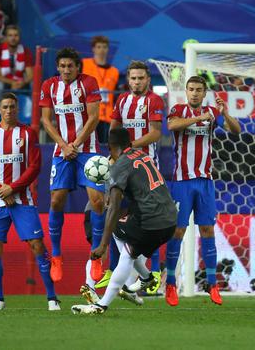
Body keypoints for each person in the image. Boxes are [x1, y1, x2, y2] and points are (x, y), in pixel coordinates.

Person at [71, 128, 177, 315]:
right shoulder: (141, 155)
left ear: (110, 146)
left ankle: (102, 304)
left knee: (118, 235)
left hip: (150, 223)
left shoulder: (120, 165)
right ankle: (146, 277)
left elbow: (113, 208)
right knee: (129, 246)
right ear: (130, 142)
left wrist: (103, 245)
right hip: (169, 221)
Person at [0, 93, 60, 311]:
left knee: (37, 246)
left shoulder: (28, 133)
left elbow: (35, 166)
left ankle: (52, 298)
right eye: (5, 107)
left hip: (23, 200)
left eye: (13, 107)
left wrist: (13, 188)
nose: (9, 110)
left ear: (17, 108)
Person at [164, 75, 241, 306]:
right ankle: (170, 284)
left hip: (205, 181)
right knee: (177, 231)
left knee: (207, 230)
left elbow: (236, 130)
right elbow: (171, 126)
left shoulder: (211, 113)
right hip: (181, 181)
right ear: (186, 92)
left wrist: (223, 113)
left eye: (198, 89)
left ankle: (212, 283)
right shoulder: (178, 109)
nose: (195, 93)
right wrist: (200, 118)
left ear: (204, 92)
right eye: (191, 89)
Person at [39, 47, 105, 300]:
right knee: (56, 199)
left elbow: (94, 117)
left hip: (87, 150)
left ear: (78, 67)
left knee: (97, 200)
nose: (66, 70)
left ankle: (96, 255)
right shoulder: (49, 85)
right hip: (62, 151)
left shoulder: (89, 82)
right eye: (62, 66)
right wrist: (64, 145)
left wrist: (75, 144)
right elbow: (46, 120)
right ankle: (56, 254)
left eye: (70, 66)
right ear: (58, 67)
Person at [105, 60, 165, 293]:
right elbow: (113, 130)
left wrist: (128, 147)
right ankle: (112, 271)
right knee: (114, 214)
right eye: (133, 78)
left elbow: (156, 134)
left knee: (151, 221)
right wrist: (114, 155)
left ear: (148, 80)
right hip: (122, 169)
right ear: (128, 79)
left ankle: (155, 274)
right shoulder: (122, 100)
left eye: (141, 78)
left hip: (146, 170)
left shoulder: (154, 100)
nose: (137, 82)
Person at [81, 36, 119, 144]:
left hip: (107, 117)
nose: (101, 50)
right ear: (93, 49)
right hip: (88, 115)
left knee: (104, 148)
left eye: (104, 47)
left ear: (108, 49)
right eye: (98, 47)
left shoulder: (114, 71)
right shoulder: (84, 64)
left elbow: (115, 96)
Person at [0, 26, 33, 102]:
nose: (13, 38)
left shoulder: (26, 51)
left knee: (34, 84)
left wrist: (23, 82)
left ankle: (33, 111)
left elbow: (30, 75)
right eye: (10, 35)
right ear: (6, 37)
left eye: (16, 35)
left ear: (19, 37)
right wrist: (12, 82)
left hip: (20, 81)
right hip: (2, 81)